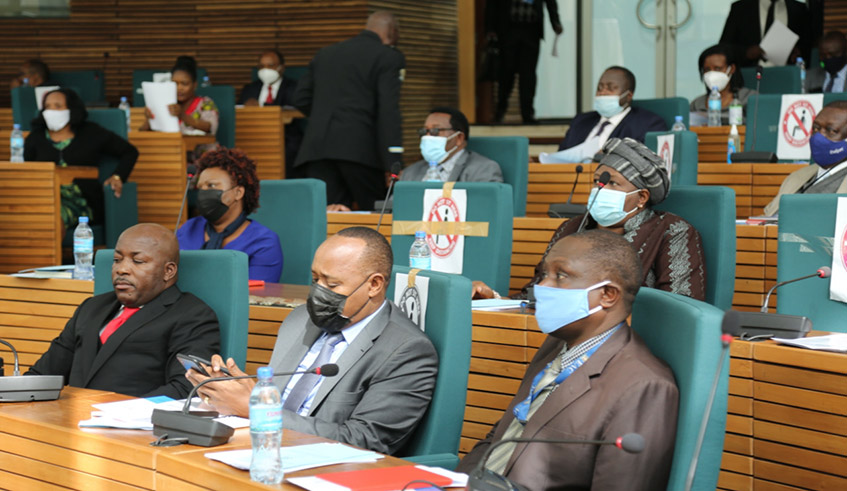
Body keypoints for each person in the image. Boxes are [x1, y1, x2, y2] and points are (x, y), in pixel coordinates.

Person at [457, 230, 679, 490]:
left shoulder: (644, 387)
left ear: (608, 294)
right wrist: (453, 484)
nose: (541, 286)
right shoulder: (557, 343)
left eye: (560, 275)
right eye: (544, 274)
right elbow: (501, 435)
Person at [186, 227, 438, 455]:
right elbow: (277, 402)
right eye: (316, 280)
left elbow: (365, 441)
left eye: (333, 284)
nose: (318, 292)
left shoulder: (406, 350)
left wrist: (258, 410)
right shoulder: (300, 320)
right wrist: (233, 391)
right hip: (261, 449)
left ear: (374, 284)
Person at [473, 137, 706, 301]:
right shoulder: (572, 228)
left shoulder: (671, 231)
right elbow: (534, 294)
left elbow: (679, 306)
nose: (600, 189)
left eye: (613, 183)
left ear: (641, 197)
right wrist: (493, 298)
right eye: (598, 182)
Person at [26, 224, 221, 399]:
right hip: (69, 419)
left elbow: (186, 388)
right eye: (117, 260)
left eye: (138, 261)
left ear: (168, 271)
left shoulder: (193, 315)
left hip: (134, 424)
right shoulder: (91, 307)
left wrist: (120, 413)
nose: (122, 269)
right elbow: (43, 374)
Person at [292, 11, 404, 211]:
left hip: (318, 149)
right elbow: (389, 112)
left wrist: (323, 117)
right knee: (376, 214)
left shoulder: (326, 53)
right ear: (392, 31)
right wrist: (393, 162)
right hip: (361, 149)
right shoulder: (388, 57)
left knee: (330, 217)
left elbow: (300, 98)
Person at [24, 88, 139, 230]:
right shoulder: (35, 138)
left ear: (71, 109)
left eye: (58, 106)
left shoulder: (91, 132)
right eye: (47, 106)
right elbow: (28, 171)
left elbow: (129, 152)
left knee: (52, 217)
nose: (51, 111)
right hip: (44, 199)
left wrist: (118, 176)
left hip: (82, 202)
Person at [176, 148, 283, 283]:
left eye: (211, 185)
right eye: (200, 188)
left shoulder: (263, 242)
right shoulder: (188, 229)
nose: (203, 193)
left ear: (238, 193)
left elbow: (255, 294)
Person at [553, 67, 666, 163]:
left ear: (628, 95)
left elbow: (644, 164)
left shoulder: (648, 124)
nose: (602, 92)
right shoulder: (581, 121)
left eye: (611, 88)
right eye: (599, 88)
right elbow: (559, 158)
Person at [764, 101, 847, 216]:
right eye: (816, 128)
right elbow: (767, 218)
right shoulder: (796, 177)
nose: (818, 136)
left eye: (831, 131)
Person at [485, 0, 562, 124]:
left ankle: (527, 115)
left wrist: (555, 22)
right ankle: (500, 112)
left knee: (528, 75)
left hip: (531, 31)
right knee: (506, 74)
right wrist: (490, 28)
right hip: (508, 30)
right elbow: (492, 4)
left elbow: (550, 2)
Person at [239, 49, 303, 173]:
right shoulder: (250, 89)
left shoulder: (294, 87)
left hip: (285, 138)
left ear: (281, 68)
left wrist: (263, 108)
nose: (265, 70)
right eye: (262, 66)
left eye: (270, 65)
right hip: (254, 137)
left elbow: (294, 109)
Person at [400, 106, 503, 182]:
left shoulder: (482, 169)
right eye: (424, 131)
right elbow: (395, 204)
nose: (427, 137)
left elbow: (484, 204)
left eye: (435, 131)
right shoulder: (410, 172)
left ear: (459, 138)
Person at [141, 55, 219, 136]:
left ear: (195, 84)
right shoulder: (165, 105)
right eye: (175, 83)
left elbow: (210, 127)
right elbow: (142, 134)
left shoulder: (205, 103)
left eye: (184, 84)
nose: (179, 88)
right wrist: (150, 119)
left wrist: (182, 115)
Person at [719, 0, 811, 67]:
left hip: (786, 75)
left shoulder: (799, 9)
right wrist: (746, 53)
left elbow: (807, 46)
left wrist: (798, 52)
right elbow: (723, 48)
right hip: (748, 76)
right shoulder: (740, 8)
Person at [690, 44, 756, 124]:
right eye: (707, 69)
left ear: (732, 69)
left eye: (718, 68)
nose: (712, 73)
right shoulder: (696, 104)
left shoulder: (750, 98)